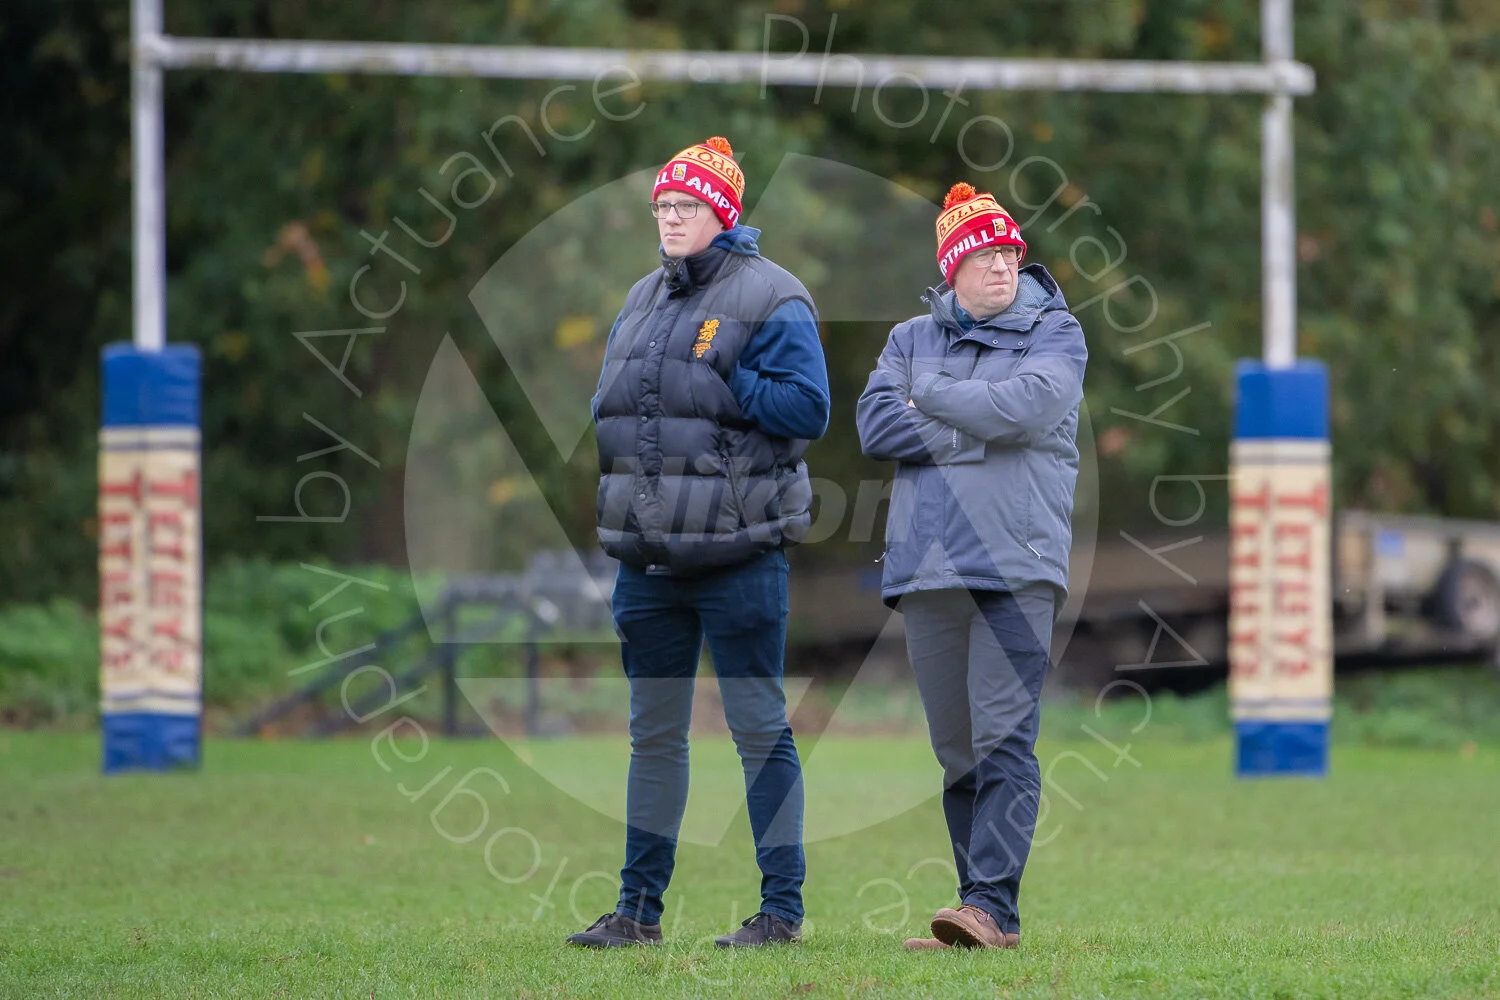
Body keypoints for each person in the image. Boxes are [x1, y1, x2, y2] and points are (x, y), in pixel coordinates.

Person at [567, 137, 830, 949]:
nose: (671, 219)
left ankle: (781, 914)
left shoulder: (774, 294)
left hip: (739, 554)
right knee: (653, 735)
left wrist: (728, 372)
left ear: (724, 212)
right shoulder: (643, 295)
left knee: (758, 731)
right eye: (663, 208)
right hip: (647, 560)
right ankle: (636, 912)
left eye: (687, 207)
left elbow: (808, 410)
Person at [855, 182, 1087, 951]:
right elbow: (876, 424)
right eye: (984, 255)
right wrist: (971, 425)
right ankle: (974, 910)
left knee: (1004, 740)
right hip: (927, 567)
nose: (1002, 267)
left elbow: (1030, 409)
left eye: (1010, 253)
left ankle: (993, 907)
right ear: (951, 269)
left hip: (1016, 565)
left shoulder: (1057, 333)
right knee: (956, 749)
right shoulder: (907, 336)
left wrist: (933, 398)